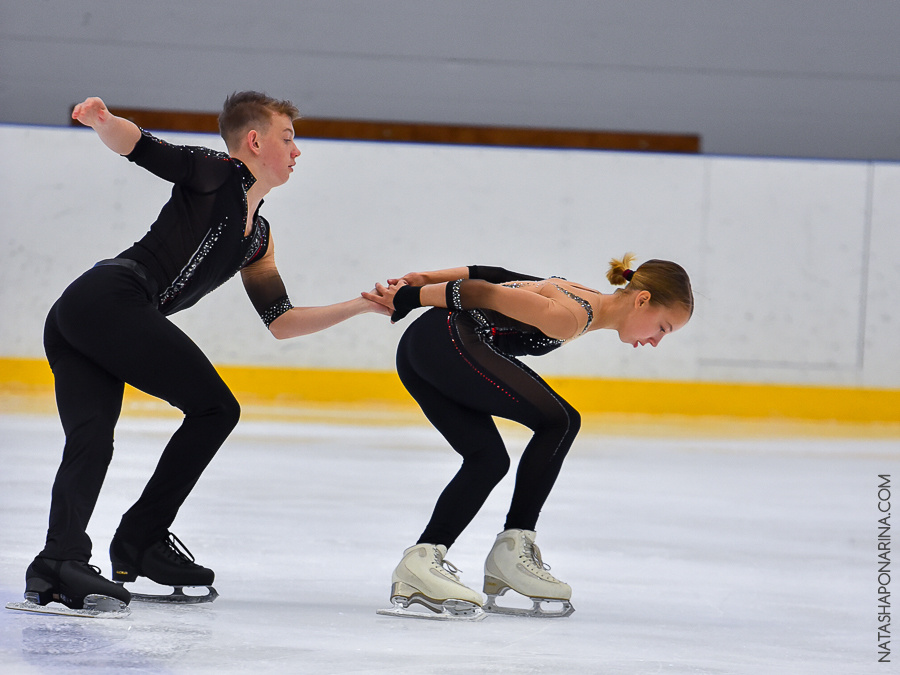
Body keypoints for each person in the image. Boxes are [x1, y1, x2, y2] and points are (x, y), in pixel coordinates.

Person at [24, 92, 388, 612]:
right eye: (288, 138)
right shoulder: (215, 172)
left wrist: (362, 305)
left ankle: (57, 564)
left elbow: (281, 322)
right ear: (254, 141)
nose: (297, 151)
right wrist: (104, 121)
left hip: (84, 314)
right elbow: (140, 147)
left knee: (92, 440)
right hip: (110, 299)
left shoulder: (257, 239)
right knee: (215, 409)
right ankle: (140, 540)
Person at [363, 256, 693, 619]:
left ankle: (421, 561)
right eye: (663, 327)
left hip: (426, 348)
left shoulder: (580, 296)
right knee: (561, 421)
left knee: (488, 460)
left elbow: (496, 276)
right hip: (446, 343)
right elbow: (480, 291)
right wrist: (409, 297)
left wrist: (425, 277)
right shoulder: (571, 316)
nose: (656, 341)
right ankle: (512, 551)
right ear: (642, 300)